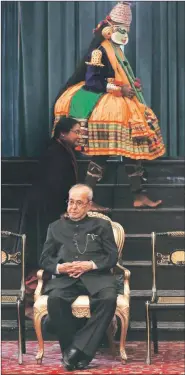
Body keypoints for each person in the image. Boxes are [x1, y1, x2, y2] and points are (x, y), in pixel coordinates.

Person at [53, 1, 166, 208]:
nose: (123, 33)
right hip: (103, 106)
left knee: (132, 149)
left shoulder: (117, 50)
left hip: (121, 105)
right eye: (120, 29)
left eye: (125, 30)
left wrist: (128, 86)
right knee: (102, 153)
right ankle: (88, 200)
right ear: (109, 29)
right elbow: (92, 81)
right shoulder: (99, 51)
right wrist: (119, 89)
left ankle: (138, 196)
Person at [39, 184, 118, 370]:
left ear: (89, 205)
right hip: (66, 279)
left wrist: (90, 265)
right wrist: (60, 268)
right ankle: (74, 353)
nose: (73, 207)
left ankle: (76, 350)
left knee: (108, 299)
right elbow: (44, 258)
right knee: (55, 300)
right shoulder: (55, 227)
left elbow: (112, 257)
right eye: (70, 202)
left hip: (97, 277)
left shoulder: (102, 225)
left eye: (79, 203)